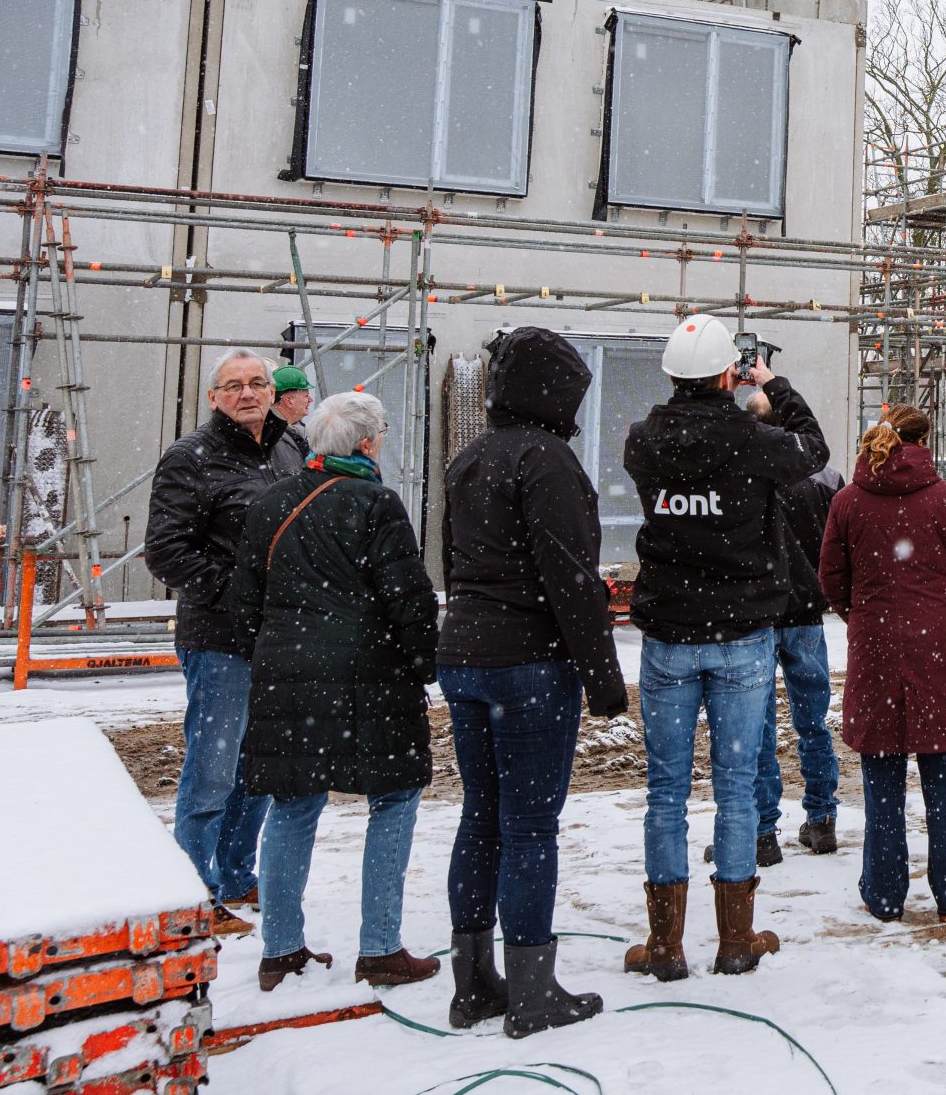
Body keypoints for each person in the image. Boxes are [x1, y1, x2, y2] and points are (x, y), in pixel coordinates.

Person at [619, 315, 826, 981]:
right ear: (727, 373)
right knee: (736, 786)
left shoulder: (642, 440)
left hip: (670, 636)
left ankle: (664, 943)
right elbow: (814, 450)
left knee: (666, 790)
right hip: (740, 635)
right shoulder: (753, 439)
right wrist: (776, 384)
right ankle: (736, 938)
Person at [438, 327, 629, 1037]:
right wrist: (603, 679)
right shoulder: (548, 462)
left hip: (465, 652)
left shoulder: (469, 458)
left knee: (480, 815)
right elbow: (571, 581)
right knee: (529, 826)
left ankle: (473, 982)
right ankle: (531, 989)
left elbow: (455, 561)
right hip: (528, 661)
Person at [229, 392, 439, 993]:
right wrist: (423, 662)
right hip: (369, 679)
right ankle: (379, 949)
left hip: (286, 680)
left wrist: (276, 657)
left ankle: (280, 951)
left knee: (293, 805)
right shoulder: (375, 503)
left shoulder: (271, 502)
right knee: (394, 798)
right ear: (369, 444)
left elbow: (244, 604)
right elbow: (410, 600)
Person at [819, 404, 946, 924]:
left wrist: (864, 617)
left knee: (881, 780)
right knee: (945, 779)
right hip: (939, 646)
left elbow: (831, 575)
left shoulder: (848, 501)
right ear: (925, 443)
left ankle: (884, 893)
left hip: (875, 648)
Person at [144, 347, 291, 931]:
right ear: (213, 397)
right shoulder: (190, 458)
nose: (247, 393)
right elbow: (167, 550)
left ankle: (235, 872)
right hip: (220, 637)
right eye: (233, 386)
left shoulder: (287, 449)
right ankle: (195, 890)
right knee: (212, 766)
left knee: (259, 765)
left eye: (257, 382)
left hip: (279, 638)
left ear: (272, 392)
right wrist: (238, 594)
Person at [751, 390, 845, 864]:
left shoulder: (748, 469)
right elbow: (839, 542)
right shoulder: (825, 477)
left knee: (757, 727)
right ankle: (822, 820)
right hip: (807, 612)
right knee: (813, 722)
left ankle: (763, 830)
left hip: (760, 616)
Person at [271, 365, 314, 470]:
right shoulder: (271, 436)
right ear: (289, 400)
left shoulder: (300, 432)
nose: (310, 400)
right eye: (306, 396)